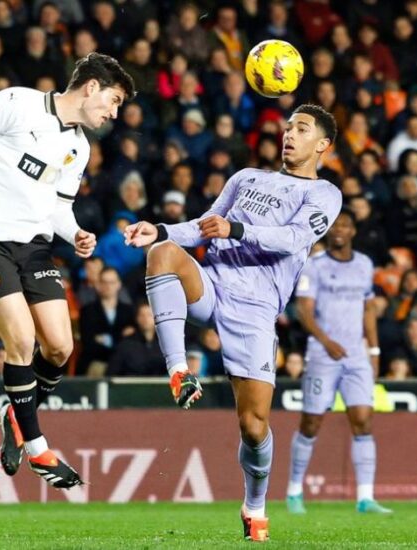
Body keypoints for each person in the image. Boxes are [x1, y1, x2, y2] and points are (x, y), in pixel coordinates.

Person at [122, 104, 342, 541]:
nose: (289, 135)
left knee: (254, 424)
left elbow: (294, 238)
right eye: (287, 127)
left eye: (301, 129)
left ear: (322, 145)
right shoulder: (245, 178)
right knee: (160, 254)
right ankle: (179, 370)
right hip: (214, 284)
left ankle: (254, 505)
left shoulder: (324, 195)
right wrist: (161, 230)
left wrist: (236, 229)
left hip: (256, 309)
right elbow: (206, 227)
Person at [0, 52, 134, 488]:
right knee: (22, 340)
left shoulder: (79, 147)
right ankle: (38, 449)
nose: (113, 112)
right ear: (90, 87)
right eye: (112, 101)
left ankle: (13, 416)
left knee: (58, 347)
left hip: (32, 244)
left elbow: (59, 210)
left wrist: (75, 235)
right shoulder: (17, 103)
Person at [285, 210, 392, 515]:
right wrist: (326, 341)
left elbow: (368, 310)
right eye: (334, 226)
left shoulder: (364, 264)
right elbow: (304, 311)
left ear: (353, 231)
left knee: (363, 419)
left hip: (356, 355)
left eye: (345, 225)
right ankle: (294, 491)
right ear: (328, 232)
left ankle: (365, 497)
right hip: (323, 354)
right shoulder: (314, 266)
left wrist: (374, 352)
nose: (339, 230)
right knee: (311, 421)